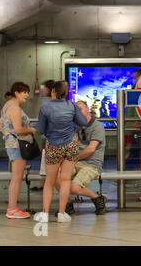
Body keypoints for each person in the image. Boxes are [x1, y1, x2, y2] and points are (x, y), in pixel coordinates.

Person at [33, 81, 87, 223]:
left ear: (53, 92)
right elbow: (82, 122)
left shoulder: (45, 107)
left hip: (53, 146)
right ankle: (62, 213)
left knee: (50, 181)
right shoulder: (71, 106)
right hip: (71, 145)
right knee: (66, 179)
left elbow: (41, 130)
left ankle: (45, 214)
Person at [54, 100, 107, 215]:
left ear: (88, 109)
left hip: (92, 164)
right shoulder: (76, 126)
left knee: (74, 187)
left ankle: (97, 198)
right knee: (55, 174)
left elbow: (91, 149)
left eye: (81, 109)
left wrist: (72, 159)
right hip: (76, 162)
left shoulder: (97, 126)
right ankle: (67, 204)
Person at [0, 82, 36, 219]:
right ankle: (12, 209)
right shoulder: (14, 108)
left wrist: (6, 135)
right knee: (16, 178)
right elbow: (19, 129)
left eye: (27, 92)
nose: (27, 95)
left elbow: (0, 123)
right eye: (24, 92)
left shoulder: (7, 106)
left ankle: (13, 208)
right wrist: (31, 129)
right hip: (17, 145)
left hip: (12, 143)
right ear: (16, 93)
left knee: (16, 177)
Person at [31, 79, 55, 192]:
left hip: (48, 136)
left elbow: (40, 118)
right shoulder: (59, 102)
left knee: (46, 159)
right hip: (54, 135)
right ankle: (43, 182)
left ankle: (44, 183)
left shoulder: (46, 102)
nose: (42, 90)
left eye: (44, 88)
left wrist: (30, 126)